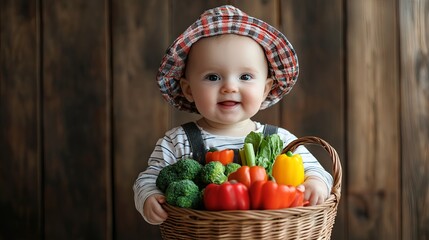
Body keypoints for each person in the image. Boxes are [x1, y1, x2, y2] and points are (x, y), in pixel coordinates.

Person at [133, 5, 333, 225]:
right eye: (212, 77)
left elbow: (317, 170)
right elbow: (149, 178)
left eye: (245, 76)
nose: (229, 87)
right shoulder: (176, 142)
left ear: (265, 88)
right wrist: (148, 197)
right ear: (188, 90)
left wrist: (316, 182)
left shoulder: (280, 140)